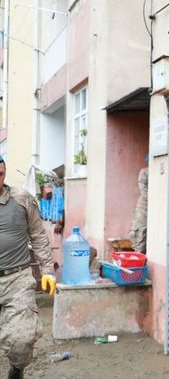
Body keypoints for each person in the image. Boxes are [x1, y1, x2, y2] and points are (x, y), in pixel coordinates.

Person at [0, 155, 57, 379]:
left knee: (22, 339)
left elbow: (38, 236)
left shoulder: (22, 199)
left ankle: (17, 369)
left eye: (1, 173)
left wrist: (48, 272)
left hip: (18, 278)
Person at [128, 159, 148, 254]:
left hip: (154, 207)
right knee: (140, 233)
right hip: (144, 207)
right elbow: (144, 191)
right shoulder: (144, 172)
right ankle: (138, 257)